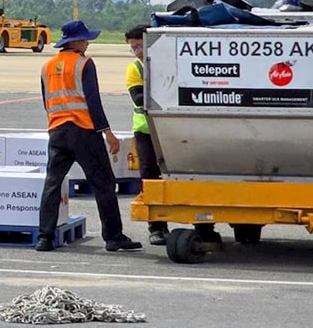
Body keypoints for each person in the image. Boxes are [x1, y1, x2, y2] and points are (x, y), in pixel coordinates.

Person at [36, 20, 141, 252]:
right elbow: (93, 102)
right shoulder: (84, 64)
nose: (87, 44)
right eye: (85, 40)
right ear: (76, 42)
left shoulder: (47, 66)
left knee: (52, 184)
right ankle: (113, 237)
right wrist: (108, 133)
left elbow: (47, 102)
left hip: (57, 131)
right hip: (83, 131)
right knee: (104, 183)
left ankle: (44, 237)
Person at [125, 25, 217, 246]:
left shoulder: (170, 64)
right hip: (146, 130)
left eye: (140, 45)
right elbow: (138, 98)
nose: (137, 51)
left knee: (191, 173)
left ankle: (203, 225)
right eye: (133, 47)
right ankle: (156, 227)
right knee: (150, 176)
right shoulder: (136, 68)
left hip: (177, 130)